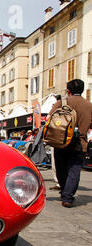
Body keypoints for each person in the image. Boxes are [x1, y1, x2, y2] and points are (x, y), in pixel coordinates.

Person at [48, 79, 92, 208]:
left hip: (60, 140)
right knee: (74, 170)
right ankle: (68, 197)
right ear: (82, 90)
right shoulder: (89, 105)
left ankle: (64, 192)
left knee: (61, 168)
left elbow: (50, 119)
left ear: (68, 90)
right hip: (80, 142)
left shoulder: (61, 103)